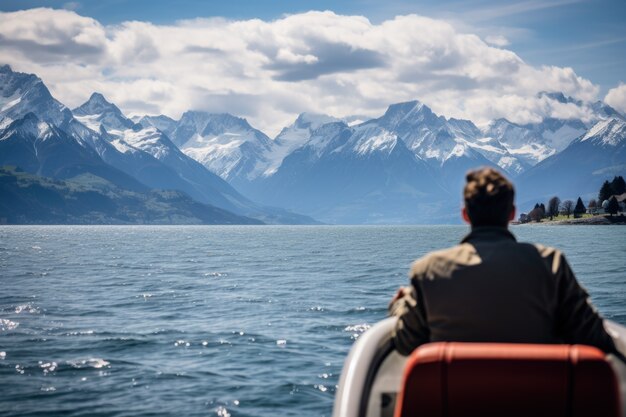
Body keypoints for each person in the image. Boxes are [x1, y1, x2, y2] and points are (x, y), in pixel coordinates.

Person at [389, 167, 620, 357]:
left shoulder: (427, 270)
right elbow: (596, 339)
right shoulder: (551, 264)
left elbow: (406, 343)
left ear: (465, 215)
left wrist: (399, 305)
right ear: (511, 213)